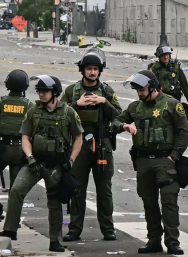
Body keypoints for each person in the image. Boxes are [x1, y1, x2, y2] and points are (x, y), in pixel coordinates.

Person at [0, 76, 83, 253]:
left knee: (55, 202)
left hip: (56, 164)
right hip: (35, 162)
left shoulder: (68, 112)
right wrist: (29, 157)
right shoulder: (33, 111)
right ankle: (10, 229)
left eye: (45, 91)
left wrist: (71, 160)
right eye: (39, 91)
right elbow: (25, 136)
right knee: (16, 190)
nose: (41, 95)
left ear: (55, 93)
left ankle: (55, 240)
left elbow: (78, 138)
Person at [117, 70, 188, 256]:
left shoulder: (172, 105)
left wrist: (174, 156)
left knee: (169, 202)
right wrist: (124, 126)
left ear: (153, 87)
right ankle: (154, 240)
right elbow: (116, 121)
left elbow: (183, 132)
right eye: (137, 90)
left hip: (165, 161)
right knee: (149, 203)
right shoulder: (136, 107)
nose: (139, 93)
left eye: (142, 89)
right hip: (143, 161)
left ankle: (172, 242)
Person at [60, 50, 122, 242]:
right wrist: (76, 105)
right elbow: (60, 114)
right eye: (89, 69)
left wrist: (104, 102)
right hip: (79, 144)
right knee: (77, 188)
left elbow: (119, 116)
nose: (92, 73)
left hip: (102, 143)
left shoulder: (106, 91)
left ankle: (108, 228)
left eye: (95, 69)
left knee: (104, 189)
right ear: (82, 70)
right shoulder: (71, 91)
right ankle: (75, 229)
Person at [0, 69, 32, 221]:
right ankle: (13, 218)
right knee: (16, 188)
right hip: (20, 150)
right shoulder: (29, 105)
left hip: (1, 149)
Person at [148, 45, 188, 116]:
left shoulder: (176, 67)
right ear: (159, 57)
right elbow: (148, 86)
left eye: (167, 55)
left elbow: (184, 84)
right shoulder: (154, 69)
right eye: (163, 55)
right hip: (161, 99)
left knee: (183, 114)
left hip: (175, 98)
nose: (165, 57)